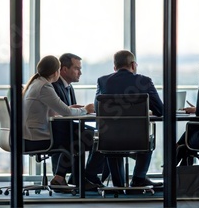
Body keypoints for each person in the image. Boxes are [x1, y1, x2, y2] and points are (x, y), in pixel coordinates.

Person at [85, 50, 164, 188]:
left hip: (110, 139)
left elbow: (99, 110)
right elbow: (160, 110)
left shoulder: (102, 81)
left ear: (115, 67)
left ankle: (118, 186)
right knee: (149, 137)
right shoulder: (144, 81)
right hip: (139, 139)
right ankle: (138, 178)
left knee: (112, 136)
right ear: (133, 65)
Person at [22, 55, 95, 187]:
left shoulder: (36, 83)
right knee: (80, 137)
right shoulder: (45, 86)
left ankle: (61, 178)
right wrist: (86, 109)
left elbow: (54, 110)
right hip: (35, 138)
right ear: (56, 71)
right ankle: (73, 179)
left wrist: (69, 108)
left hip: (28, 135)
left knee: (78, 135)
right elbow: (66, 113)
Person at [50, 53, 108, 190]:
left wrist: (81, 109)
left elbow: (66, 110)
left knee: (94, 134)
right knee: (98, 136)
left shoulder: (68, 87)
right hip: (57, 130)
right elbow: (63, 114)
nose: (80, 73)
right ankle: (85, 177)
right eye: (77, 69)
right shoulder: (54, 86)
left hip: (65, 127)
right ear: (64, 69)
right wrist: (84, 110)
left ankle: (76, 177)